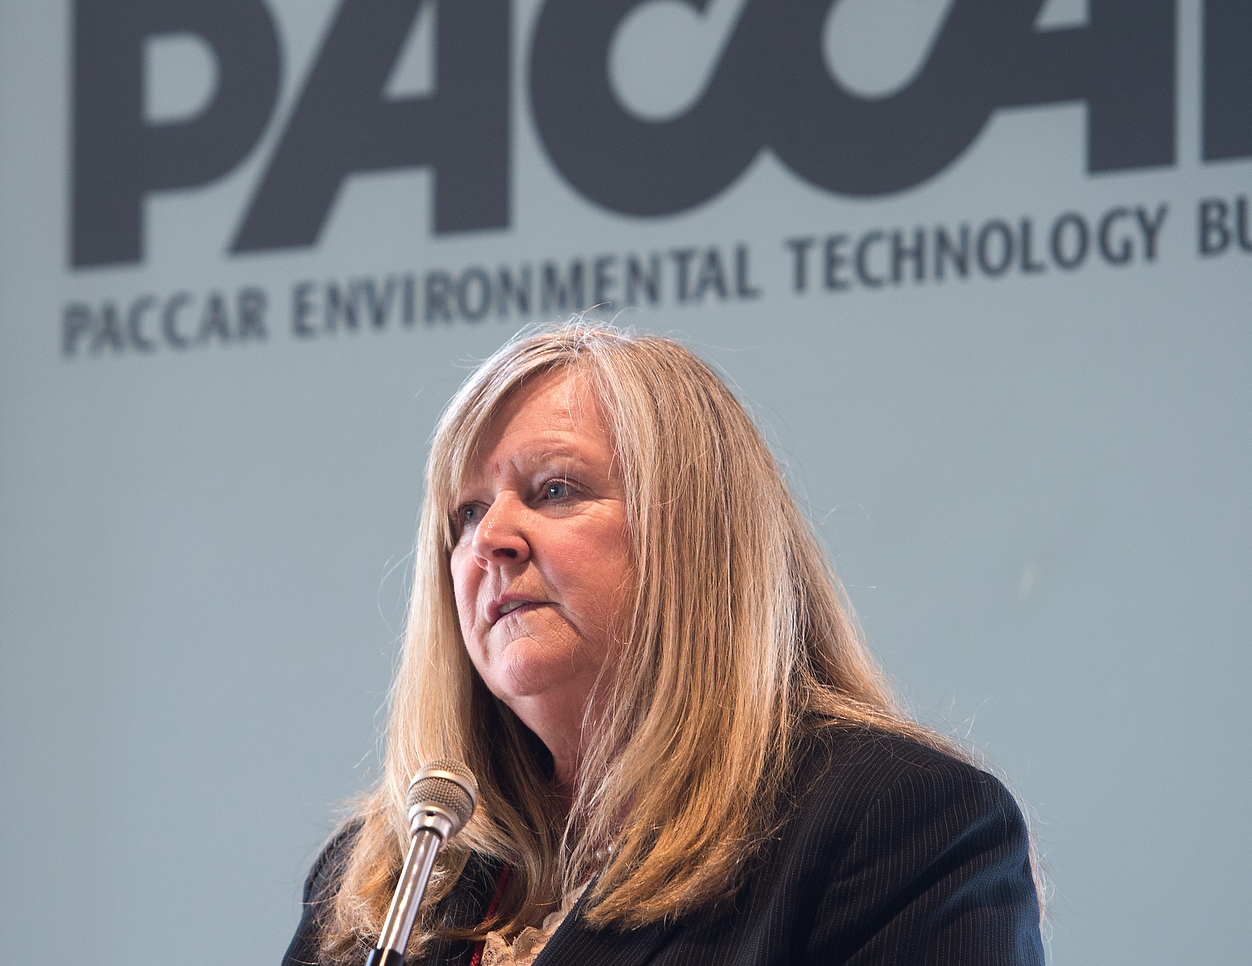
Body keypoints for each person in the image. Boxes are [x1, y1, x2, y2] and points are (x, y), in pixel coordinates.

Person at [284, 322, 1043, 966]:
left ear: (695, 537)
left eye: (555, 489)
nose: (492, 541)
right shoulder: (386, 878)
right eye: (467, 514)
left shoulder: (899, 823)